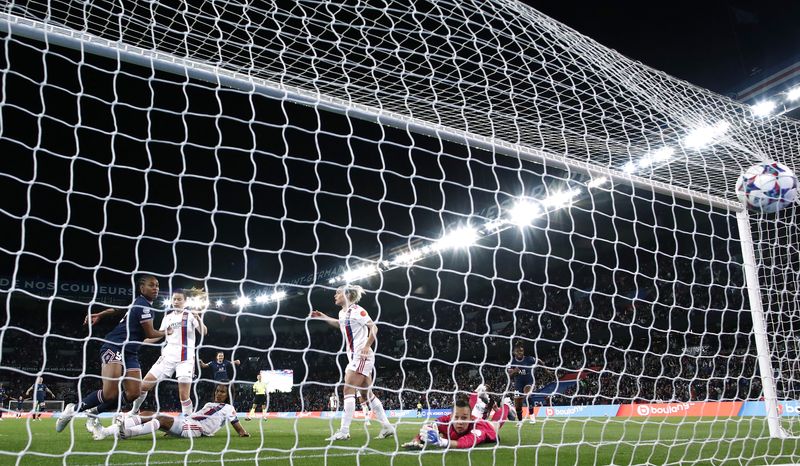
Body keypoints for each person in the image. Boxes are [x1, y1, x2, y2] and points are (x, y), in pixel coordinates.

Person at [56, 275, 166, 433]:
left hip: (130, 353)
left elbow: (117, 310)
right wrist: (166, 332)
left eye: (157, 285)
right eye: (151, 285)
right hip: (115, 346)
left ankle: (93, 413)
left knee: (134, 393)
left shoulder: (139, 303)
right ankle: (71, 411)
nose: (156, 288)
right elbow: (150, 333)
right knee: (109, 394)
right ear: (142, 288)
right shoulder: (144, 306)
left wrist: (101, 314)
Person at [309, 285, 395, 440]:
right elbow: (340, 323)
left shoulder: (358, 310)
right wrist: (322, 316)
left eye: (338, 293)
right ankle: (387, 427)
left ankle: (344, 431)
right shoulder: (343, 313)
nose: (335, 296)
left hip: (361, 356)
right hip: (354, 357)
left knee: (347, 390)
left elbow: (374, 328)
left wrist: (367, 346)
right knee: (366, 394)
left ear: (347, 295)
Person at [127, 289, 207, 419]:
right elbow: (158, 335)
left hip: (185, 360)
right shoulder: (167, 317)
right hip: (167, 358)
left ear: (185, 301)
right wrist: (140, 342)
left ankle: (188, 422)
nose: (176, 301)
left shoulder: (190, 315)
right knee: (142, 386)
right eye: (174, 299)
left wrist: (198, 316)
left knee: (184, 395)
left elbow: (203, 332)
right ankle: (134, 411)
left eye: (179, 299)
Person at [90, 383, 249, 440]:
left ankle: (123, 426)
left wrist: (242, 433)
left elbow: (237, 426)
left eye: (222, 392)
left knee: (161, 420)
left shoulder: (229, 409)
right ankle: (116, 430)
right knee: (149, 414)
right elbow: (195, 415)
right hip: (188, 423)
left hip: (197, 430)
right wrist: (177, 425)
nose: (219, 394)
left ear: (229, 395)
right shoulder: (208, 403)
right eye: (218, 391)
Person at [401, 393, 512, 449]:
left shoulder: (477, 427)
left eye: (464, 418)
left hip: (488, 429)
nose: (460, 422)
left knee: (495, 425)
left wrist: (442, 442)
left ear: (470, 418)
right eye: (456, 417)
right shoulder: (445, 421)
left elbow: (465, 442)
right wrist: (416, 440)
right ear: (450, 417)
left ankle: (507, 404)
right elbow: (427, 429)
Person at [507, 345, 539, 423]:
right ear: (514, 352)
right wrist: (514, 371)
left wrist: (546, 370)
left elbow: (539, 361)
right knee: (518, 404)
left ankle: (532, 417)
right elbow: (509, 375)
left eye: (521, 351)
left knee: (527, 395)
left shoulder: (529, 359)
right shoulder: (511, 362)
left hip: (529, 381)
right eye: (518, 351)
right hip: (518, 384)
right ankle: (520, 421)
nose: (520, 352)